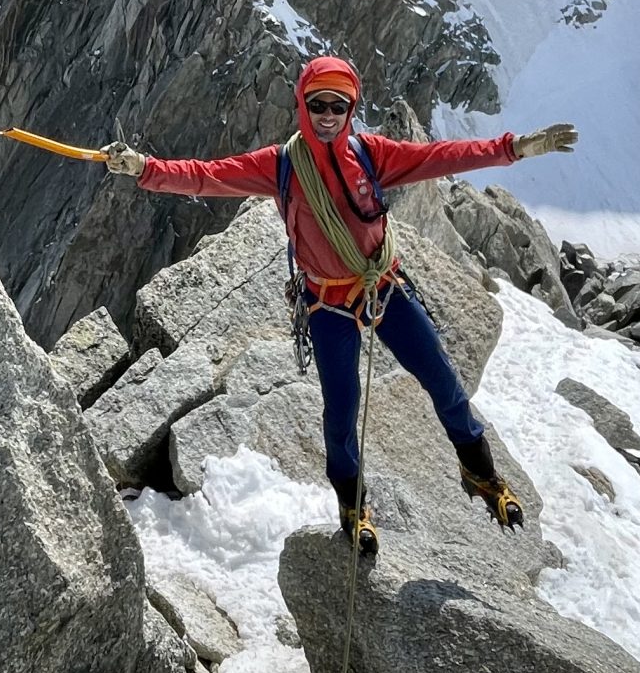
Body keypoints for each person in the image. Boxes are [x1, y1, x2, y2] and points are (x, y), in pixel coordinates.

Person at [106, 55, 575, 554]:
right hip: (328, 302)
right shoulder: (281, 166)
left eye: (338, 106)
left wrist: (513, 148)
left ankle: (480, 473)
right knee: (342, 410)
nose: (328, 115)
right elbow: (207, 176)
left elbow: (442, 156)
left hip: (381, 285)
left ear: (351, 109)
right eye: (318, 105)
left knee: (442, 378)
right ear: (302, 105)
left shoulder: (370, 154)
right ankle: (352, 506)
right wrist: (145, 169)